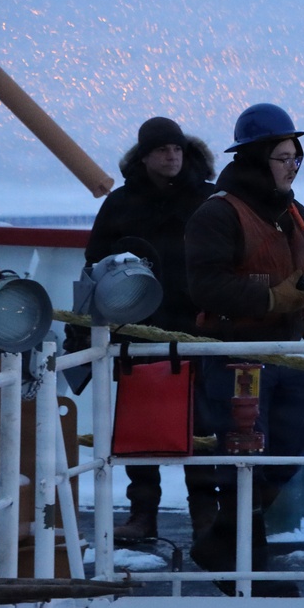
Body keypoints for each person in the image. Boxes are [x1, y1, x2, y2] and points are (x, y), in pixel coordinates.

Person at [184, 102, 304, 597]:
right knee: (242, 458)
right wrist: (270, 297)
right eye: (283, 156)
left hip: (287, 353)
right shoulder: (217, 214)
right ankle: (249, 572)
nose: (293, 165)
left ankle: (219, 546)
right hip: (237, 353)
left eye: (296, 156)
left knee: (287, 453)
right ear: (255, 159)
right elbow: (205, 285)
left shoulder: (296, 213)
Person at [83, 116, 219, 543]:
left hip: (196, 327)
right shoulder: (121, 204)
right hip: (138, 328)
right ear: (144, 156)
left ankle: (205, 513)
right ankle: (143, 514)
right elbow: (95, 262)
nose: (171, 156)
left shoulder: (209, 199)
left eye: (176, 149)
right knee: (141, 426)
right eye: (162, 150)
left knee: (202, 424)